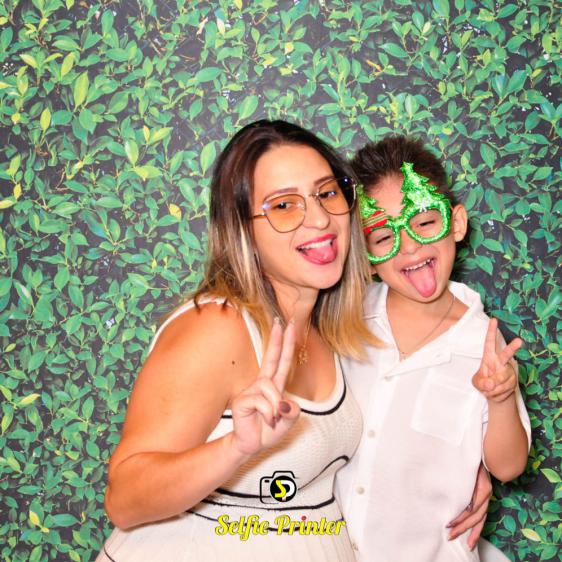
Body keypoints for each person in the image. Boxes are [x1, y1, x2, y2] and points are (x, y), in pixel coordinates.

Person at [95, 119, 380, 561]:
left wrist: (458, 476)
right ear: (243, 230)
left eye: (327, 193)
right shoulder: (218, 327)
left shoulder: (332, 327)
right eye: (283, 205)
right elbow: (125, 500)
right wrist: (236, 448)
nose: (320, 218)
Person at [335, 135, 531, 562]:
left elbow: (508, 466)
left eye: (424, 222)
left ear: (456, 223)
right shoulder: (345, 319)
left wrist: (500, 400)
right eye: (382, 236)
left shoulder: (482, 344)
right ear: (365, 254)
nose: (409, 246)